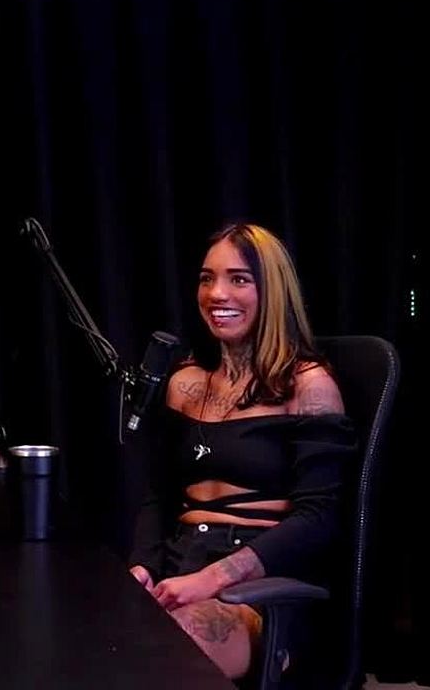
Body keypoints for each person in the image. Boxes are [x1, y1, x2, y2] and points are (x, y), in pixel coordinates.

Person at [127, 222, 355, 680]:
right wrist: (142, 567)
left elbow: (319, 520)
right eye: (207, 278)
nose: (217, 294)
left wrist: (212, 579)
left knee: (163, 652)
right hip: (181, 561)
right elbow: (159, 495)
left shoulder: (309, 388)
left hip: (261, 587)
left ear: (272, 291)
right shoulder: (185, 383)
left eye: (239, 279)